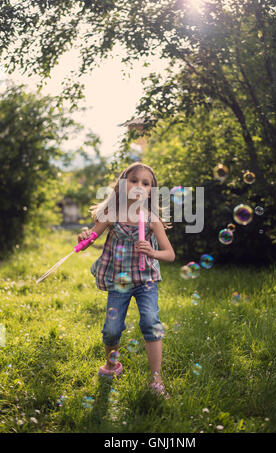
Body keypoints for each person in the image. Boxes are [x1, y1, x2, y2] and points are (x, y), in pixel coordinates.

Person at [77, 162, 175, 398]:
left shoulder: (151, 220)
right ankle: (112, 366)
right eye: (134, 181)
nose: (139, 186)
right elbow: (91, 237)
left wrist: (152, 253)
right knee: (111, 328)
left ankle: (156, 379)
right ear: (123, 184)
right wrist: (84, 238)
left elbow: (169, 254)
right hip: (119, 281)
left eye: (145, 183)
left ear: (151, 190)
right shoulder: (113, 214)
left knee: (151, 322)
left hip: (145, 281)